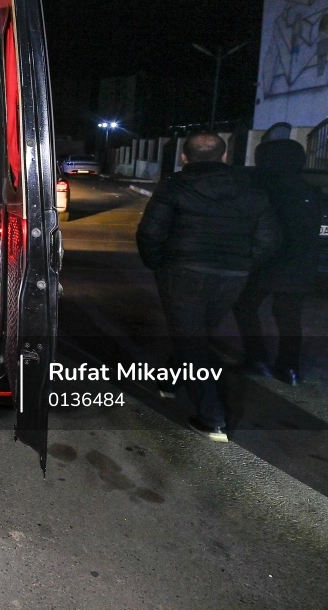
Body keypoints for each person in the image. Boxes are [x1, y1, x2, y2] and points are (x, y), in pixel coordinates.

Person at [136, 132, 281, 442]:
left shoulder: (174, 186)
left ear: (185, 157)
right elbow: (270, 239)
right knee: (194, 336)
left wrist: (158, 264)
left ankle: (212, 417)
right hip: (232, 278)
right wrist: (242, 265)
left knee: (191, 342)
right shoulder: (251, 188)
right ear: (224, 156)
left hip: (183, 273)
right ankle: (170, 382)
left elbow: (150, 232)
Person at [232, 139, 321, 386]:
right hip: (300, 266)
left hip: (267, 264)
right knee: (289, 316)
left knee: (244, 306)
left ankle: (257, 358)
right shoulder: (307, 190)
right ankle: (289, 368)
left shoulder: (262, 187)